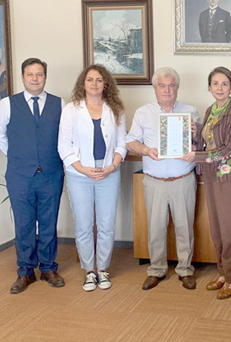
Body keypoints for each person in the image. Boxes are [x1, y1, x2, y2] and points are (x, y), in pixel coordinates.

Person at [0, 58, 65, 294]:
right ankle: (25, 272)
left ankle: (48, 268)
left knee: (48, 222)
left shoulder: (59, 103)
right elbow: (0, 136)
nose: (35, 78)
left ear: (45, 77)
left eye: (40, 74)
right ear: (22, 77)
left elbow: (64, 138)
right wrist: (19, 156)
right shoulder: (7, 104)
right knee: (24, 224)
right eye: (30, 74)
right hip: (19, 175)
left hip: (51, 174)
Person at [126, 67, 201, 291]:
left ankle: (185, 270)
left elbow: (200, 146)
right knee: (155, 228)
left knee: (184, 228)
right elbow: (131, 142)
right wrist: (147, 150)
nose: (167, 90)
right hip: (155, 180)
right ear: (154, 88)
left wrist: (196, 136)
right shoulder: (143, 112)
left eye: (171, 85)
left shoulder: (191, 111)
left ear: (177, 88)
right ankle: (156, 269)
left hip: (183, 179)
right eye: (162, 85)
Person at [58, 65, 127, 291]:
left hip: (108, 172)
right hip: (80, 173)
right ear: (83, 83)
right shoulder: (71, 110)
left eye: (99, 80)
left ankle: (103, 269)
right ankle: (89, 271)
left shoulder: (115, 109)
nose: (94, 84)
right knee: (84, 224)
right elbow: (63, 146)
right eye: (90, 79)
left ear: (105, 84)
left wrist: (112, 166)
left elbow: (121, 143)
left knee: (106, 223)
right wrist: (82, 168)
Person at [182, 66, 231, 299]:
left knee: (230, 231)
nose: (220, 88)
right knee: (217, 229)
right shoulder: (211, 110)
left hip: (229, 177)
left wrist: (198, 157)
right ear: (209, 88)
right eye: (215, 84)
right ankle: (222, 273)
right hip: (211, 176)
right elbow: (208, 140)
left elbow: (229, 148)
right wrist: (195, 130)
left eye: (224, 83)